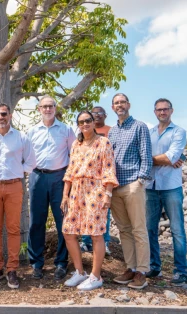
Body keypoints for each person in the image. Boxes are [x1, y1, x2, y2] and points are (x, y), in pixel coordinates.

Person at [0, 103, 35, 290]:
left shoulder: (21, 137)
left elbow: (31, 161)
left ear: (10, 115)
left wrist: (19, 173)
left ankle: (12, 269)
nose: (1, 117)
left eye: (4, 114)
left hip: (14, 187)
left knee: (13, 229)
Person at [61, 111, 118, 291]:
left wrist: (108, 194)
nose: (84, 124)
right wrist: (65, 195)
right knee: (68, 231)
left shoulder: (103, 142)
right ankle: (80, 272)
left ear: (94, 123)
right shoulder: (76, 145)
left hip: (95, 191)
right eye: (81, 122)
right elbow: (70, 171)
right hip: (76, 191)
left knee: (95, 234)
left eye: (88, 121)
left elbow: (109, 169)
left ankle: (96, 276)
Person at [26, 95, 74, 280]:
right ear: (39, 109)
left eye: (51, 106)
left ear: (55, 108)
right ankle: (36, 263)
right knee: (36, 222)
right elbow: (27, 155)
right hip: (37, 176)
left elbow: (72, 155)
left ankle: (61, 263)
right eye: (44, 106)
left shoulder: (66, 129)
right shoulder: (32, 132)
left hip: (59, 178)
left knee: (63, 221)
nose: (47, 109)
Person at [108, 93, 153, 290]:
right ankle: (130, 268)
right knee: (124, 230)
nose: (120, 105)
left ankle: (142, 271)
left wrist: (141, 180)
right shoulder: (112, 132)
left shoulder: (139, 126)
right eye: (116, 103)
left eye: (123, 102)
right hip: (116, 187)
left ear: (129, 104)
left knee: (138, 229)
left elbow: (146, 155)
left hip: (133, 184)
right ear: (113, 107)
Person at [145, 99, 187, 286]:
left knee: (177, 230)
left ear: (171, 110)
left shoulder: (179, 132)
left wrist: (169, 158)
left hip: (171, 187)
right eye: (159, 109)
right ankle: (154, 266)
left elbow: (172, 156)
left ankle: (181, 271)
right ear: (154, 112)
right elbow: (144, 154)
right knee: (149, 230)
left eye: (165, 109)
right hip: (150, 187)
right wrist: (167, 159)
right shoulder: (149, 133)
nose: (162, 112)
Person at [81, 105, 113, 256]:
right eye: (94, 114)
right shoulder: (84, 134)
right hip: (86, 183)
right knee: (86, 212)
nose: (97, 115)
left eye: (100, 113)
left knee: (104, 213)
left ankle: (105, 242)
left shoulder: (110, 131)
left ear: (105, 115)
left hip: (104, 180)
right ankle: (86, 241)